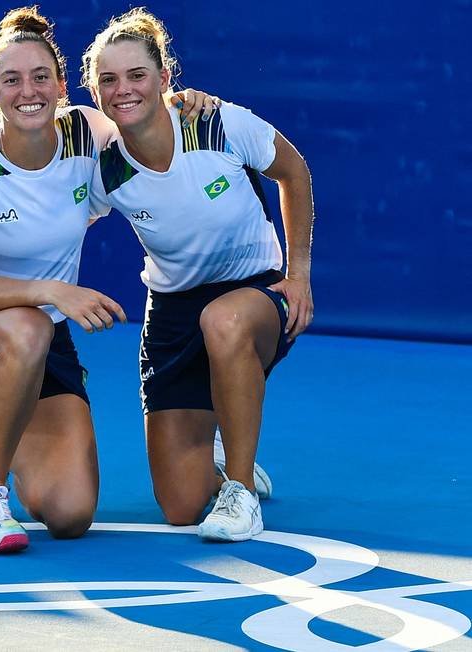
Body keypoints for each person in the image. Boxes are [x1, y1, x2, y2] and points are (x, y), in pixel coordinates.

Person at [0, 6, 218, 554]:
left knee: (71, 514)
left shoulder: (85, 132)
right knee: (27, 328)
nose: (28, 90)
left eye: (40, 77)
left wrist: (185, 102)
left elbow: (141, 114)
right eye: (12, 80)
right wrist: (54, 291)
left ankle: (4, 429)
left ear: (61, 85)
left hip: (42, 343)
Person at [83, 8, 314, 542]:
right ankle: (226, 443)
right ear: (94, 92)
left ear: (165, 79)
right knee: (182, 505)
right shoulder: (106, 168)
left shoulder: (216, 123)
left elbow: (293, 171)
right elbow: (54, 216)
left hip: (254, 294)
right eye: (108, 80)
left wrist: (298, 274)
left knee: (224, 321)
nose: (124, 90)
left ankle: (240, 490)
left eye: (137, 75)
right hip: (172, 313)